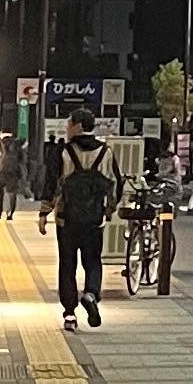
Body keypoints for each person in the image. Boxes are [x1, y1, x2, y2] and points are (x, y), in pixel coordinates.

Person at [50, 114, 113, 327]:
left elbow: (53, 184)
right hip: (94, 220)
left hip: (66, 220)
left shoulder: (65, 152)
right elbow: (116, 183)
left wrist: (44, 212)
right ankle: (91, 294)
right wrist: (109, 210)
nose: (66, 128)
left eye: (68, 124)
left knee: (67, 264)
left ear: (77, 126)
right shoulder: (105, 152)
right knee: (93, 261)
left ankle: (69, 313)